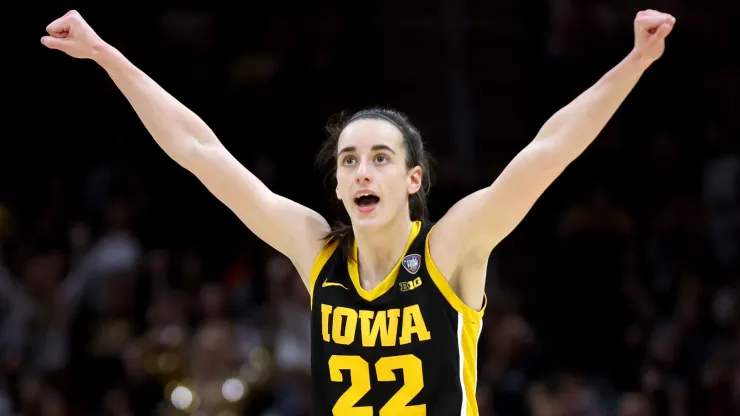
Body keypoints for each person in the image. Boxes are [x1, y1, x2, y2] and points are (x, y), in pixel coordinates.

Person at [41, 8, 675, 416]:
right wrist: (105, 54)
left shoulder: (449, 248)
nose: (361, 170)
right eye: (349, 161)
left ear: (412, 180)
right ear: (340, 186)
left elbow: (547, 152)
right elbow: (199, 150)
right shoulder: (317, 252)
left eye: (379, 158)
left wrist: (636, 61)